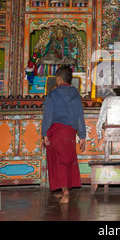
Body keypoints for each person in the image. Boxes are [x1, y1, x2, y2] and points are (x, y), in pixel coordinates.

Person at [42, 66, 86, 203]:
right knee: (68, 159)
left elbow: (48, 115)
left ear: (59, 79)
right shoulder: (76, 94)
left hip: (57, 131)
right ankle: (63, 190)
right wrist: (82, 136)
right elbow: (79, 116)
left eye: (56, 78)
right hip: (70, 133)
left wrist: (44, 133)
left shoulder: (53, 94)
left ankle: (66, 192)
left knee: (59, 161)